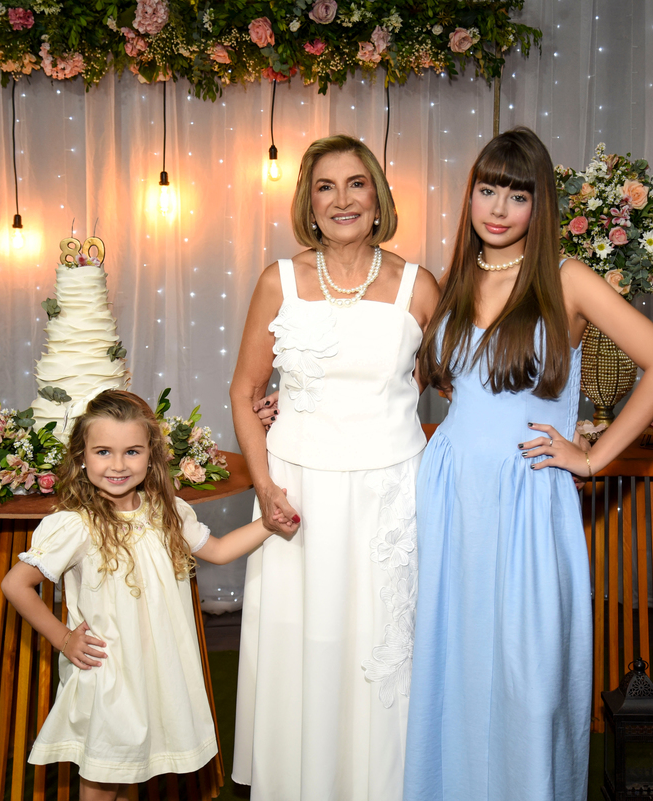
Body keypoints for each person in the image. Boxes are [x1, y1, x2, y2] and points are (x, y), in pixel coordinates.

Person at [403, 128, 653, 800]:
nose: (499, 208)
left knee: (528, 673)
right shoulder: (454, 278)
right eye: (487, 190)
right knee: (454, 661)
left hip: (528, 495)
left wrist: (591, 458)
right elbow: (423, 381)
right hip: (451, 493)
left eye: (518, 194)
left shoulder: (568, 279)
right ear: (470, 195)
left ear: (540, 204)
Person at [229, 134, 440, 800]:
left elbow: (451, 384)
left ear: (377, 197)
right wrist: (265, 485)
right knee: (307, 639)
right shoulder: (279, 280)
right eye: (326, 186)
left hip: (391, 493)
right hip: (297, 491)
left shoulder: (419, 286)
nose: (342, 199)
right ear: (309, 202)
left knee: (383, 643)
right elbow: (244, 390)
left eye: (356, 183)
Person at [1, 390, 277, 801]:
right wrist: (64, 638)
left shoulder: (168, 511)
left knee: (130, 767)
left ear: (151, 456)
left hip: (155, 666)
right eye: (103, 452)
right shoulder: (75, 525)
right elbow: (15, 584)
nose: (118, 465)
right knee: (103, 774)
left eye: (131, 451)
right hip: (109, 670)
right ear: (81, 456)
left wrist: (270, 523)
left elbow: (219, 550)